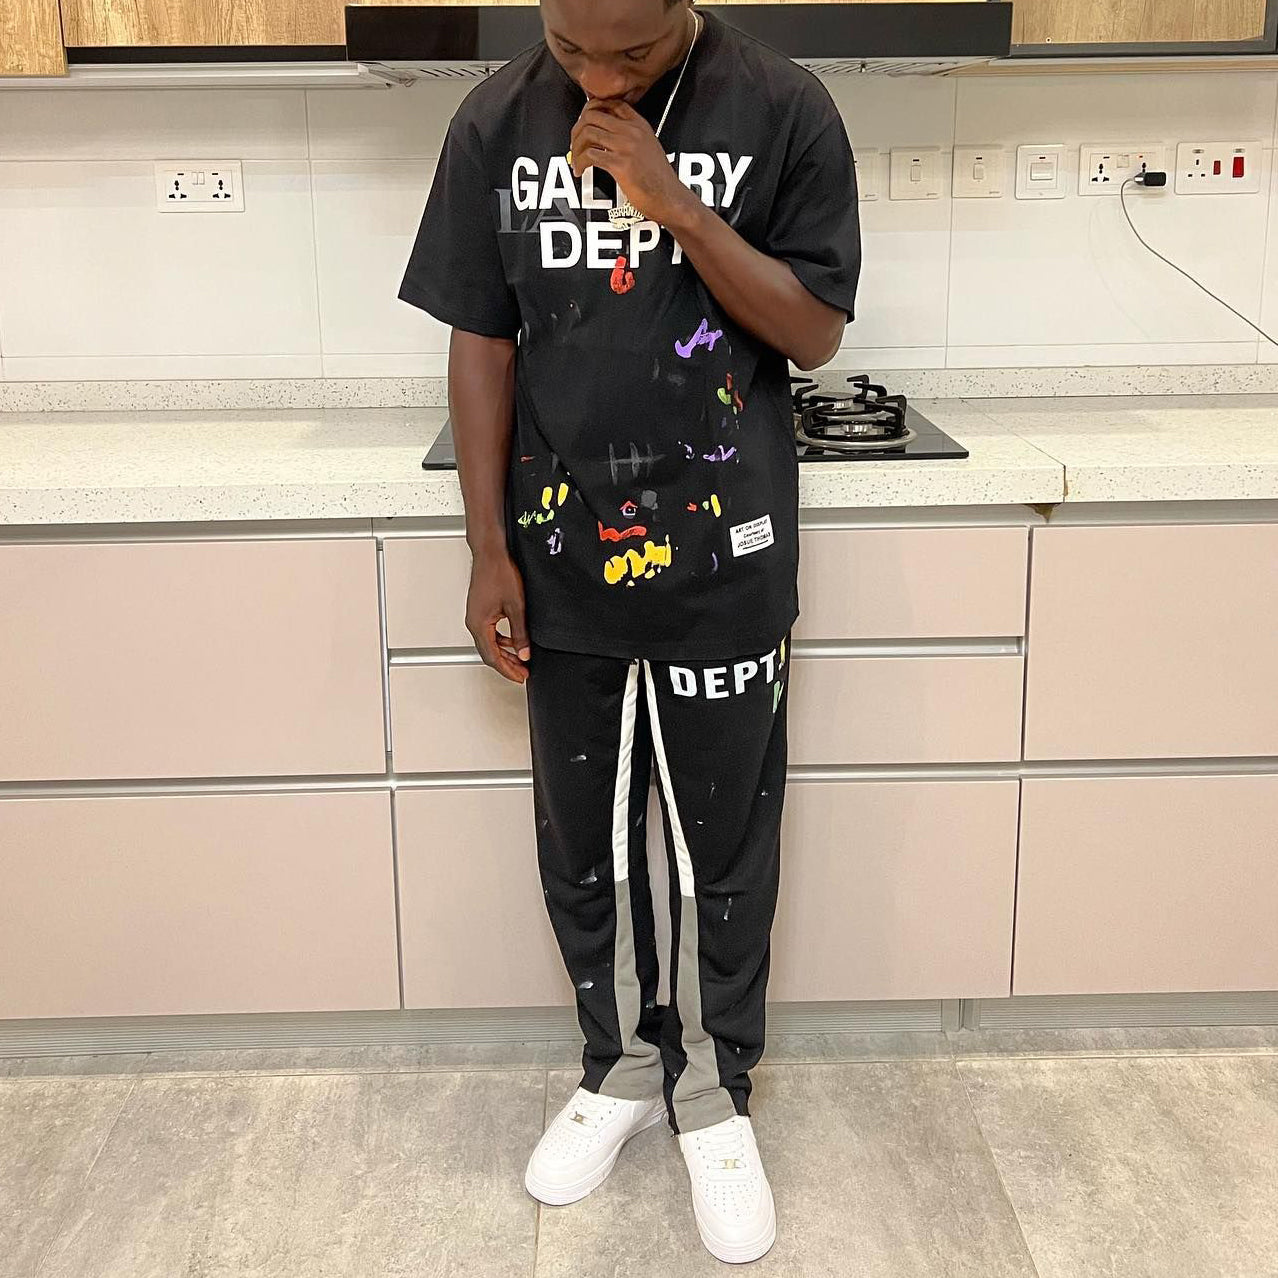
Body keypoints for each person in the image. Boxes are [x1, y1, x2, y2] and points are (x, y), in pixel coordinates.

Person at [399, 0, 860, 1263]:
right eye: (571, 51)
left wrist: (681, 210)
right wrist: (487, 546)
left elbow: (815, 333)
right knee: (586, 837)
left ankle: (713, 1093)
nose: (599, 80)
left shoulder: (783, 109)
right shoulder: (493, 122)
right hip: (561, 559)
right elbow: (482, 341)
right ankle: (615, 1069)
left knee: (721, 843)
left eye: (635, 55)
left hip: (724, 559)